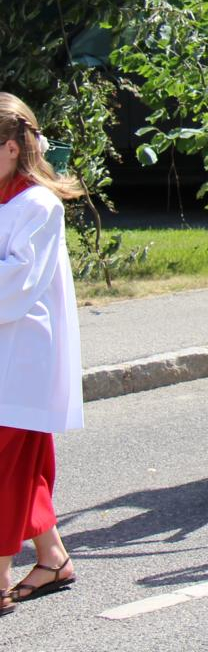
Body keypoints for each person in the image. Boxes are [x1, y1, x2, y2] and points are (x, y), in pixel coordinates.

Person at [0, 96, 82, 611]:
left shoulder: (38, 204)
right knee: (22, 466)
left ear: (11, 148)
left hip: (21, 361)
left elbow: (15, 286)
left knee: (6, 468)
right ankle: (53, 558)